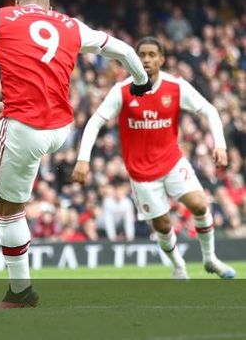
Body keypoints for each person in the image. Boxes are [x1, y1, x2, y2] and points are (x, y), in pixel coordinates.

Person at [0, 0, 151, 308]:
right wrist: (141, 82)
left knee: (7, 210)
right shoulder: (71, 24)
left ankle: (20, 291)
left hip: (26, 129)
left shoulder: (1, 16)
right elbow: (126, 52)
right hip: (61, 128)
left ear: (18, 2)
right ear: (48, 5)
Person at [71, 36, 235, 280]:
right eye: (141, 55)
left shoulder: (175, 86)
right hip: (142, 174)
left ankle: (210, 259)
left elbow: (209, 110)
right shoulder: (123, 90)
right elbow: (95, 122)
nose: (146, 59)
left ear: (162, 59)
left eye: (151, 55)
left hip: (172, 161)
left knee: (200, 205)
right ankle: (178, 265)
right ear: (133, 60)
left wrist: (220, 145)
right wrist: (83, 158)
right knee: (163, 226)